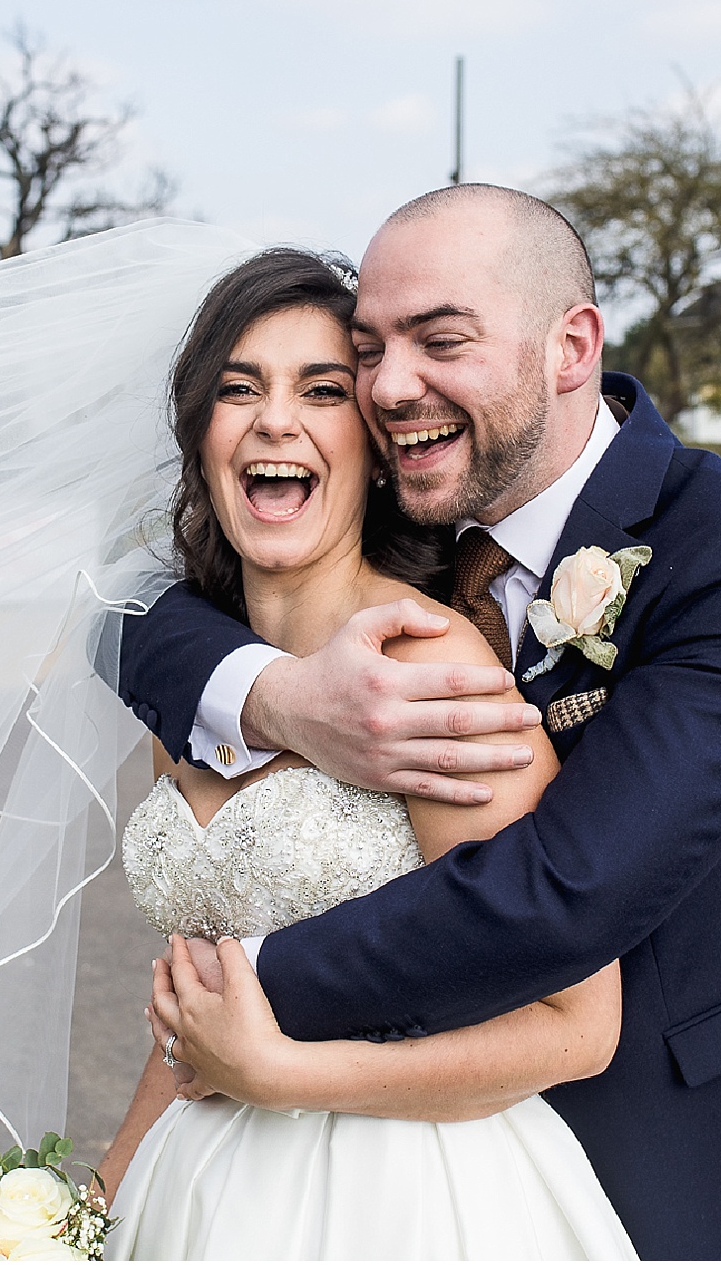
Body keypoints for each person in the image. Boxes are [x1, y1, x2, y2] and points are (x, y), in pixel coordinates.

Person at [115, 184, 721, 1260]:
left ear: (572, 346)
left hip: (707, 1165)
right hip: (385, 1184)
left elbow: (563, 890)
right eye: (368, 350)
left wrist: (230, 998)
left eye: (439, 340)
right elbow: (141, 620)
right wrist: (276, 697)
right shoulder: (411, 528)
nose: (389, 386)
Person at [89, 248, 635, 1258]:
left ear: (375, 443)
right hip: (197, 1196)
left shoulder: (431, 662)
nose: (274, 419)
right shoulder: (197, 692)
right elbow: (191, 1015)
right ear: (201, 434)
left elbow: (576, 1022)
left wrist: (282, 1074)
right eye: (237, 388)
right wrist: (99, 1199)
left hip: (408, 1201)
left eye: (321, 389)